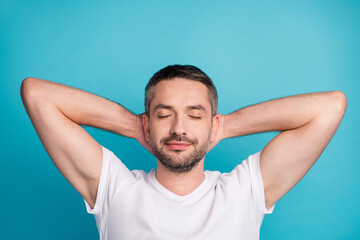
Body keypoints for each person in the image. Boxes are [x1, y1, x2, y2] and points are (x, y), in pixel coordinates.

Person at [20, 65, 347, 240]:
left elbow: (330, 107)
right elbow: (37, 94)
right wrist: (136, 125)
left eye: (194, 115)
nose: (178, 128)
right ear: (149, 124)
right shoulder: (114, 189)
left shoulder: (244, 191)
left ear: (212, 124)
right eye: (164, 115)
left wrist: (228, 125)